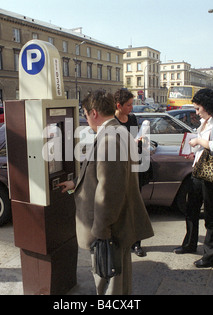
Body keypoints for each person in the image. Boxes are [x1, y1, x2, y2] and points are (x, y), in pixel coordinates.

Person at [58, 90, 154, 295]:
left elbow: (110, 191)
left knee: (109, 283)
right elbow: (103, 175)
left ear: (94, 113)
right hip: (113, 225)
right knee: (116, 279)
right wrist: (75, 183)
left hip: (108, 229)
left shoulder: (110, 138)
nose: (86, 119)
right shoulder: (117, 132)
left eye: (85, 114)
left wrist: (101, 232)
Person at [173, 88, 213, 268]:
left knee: (211, 215)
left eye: (198, 108)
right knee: (191, 209)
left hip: (211, 174)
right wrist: (194, 151)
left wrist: (198, 142)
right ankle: (190, 244)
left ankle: (211, 256)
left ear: (208, 106)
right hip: (199, 170)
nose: (196, 112)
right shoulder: (207, 121)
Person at [114, 88, 147, 258]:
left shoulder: (132, 119)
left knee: (136, 205)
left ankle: (136, 243)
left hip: (134, 168)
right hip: (118, 170)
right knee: (120, 207)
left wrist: (140, 141)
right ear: (118, 105)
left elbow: (137, 143)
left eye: (132, 104)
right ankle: (122, 241)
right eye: (128, 105)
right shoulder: (111, 122)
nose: (131, 108)